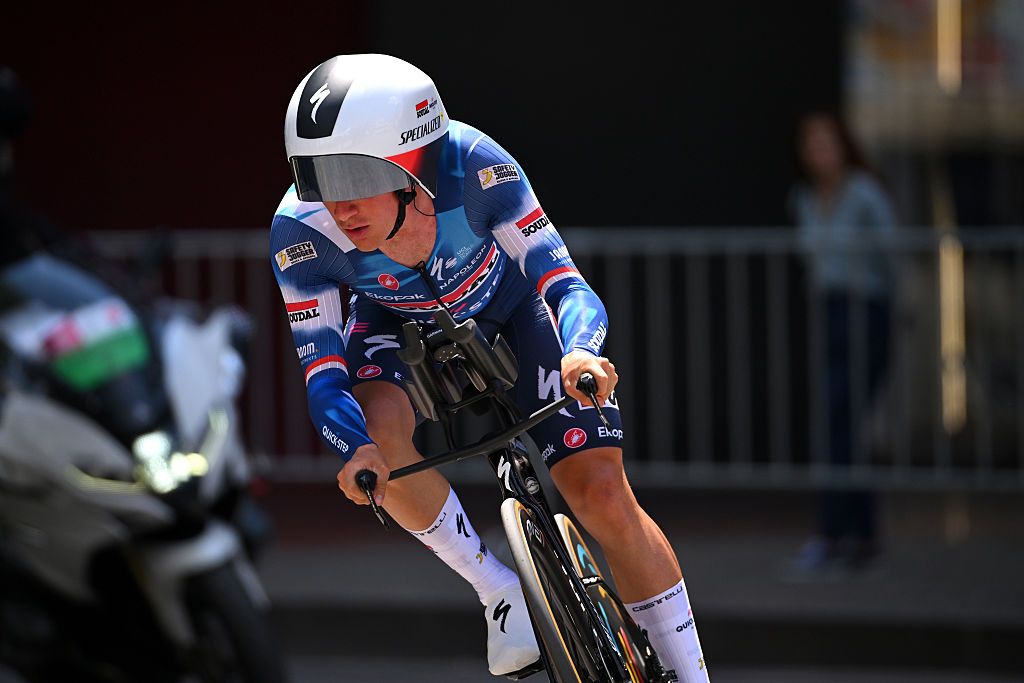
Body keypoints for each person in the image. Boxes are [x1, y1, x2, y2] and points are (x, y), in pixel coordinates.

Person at [269, 54, 709, 681]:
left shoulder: (477, 168)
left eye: (352, 174)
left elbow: (564, 284)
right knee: (377, 436)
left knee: (603, 494)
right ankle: (495, 588)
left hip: (512, 304)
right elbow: (324, 374)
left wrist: (582, 348)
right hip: (395, 319)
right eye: (315, 176)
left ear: (410, 161)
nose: (336, 204)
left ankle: (692, 673)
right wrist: (356, 448)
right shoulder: (300, 234)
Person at [788, 110, 897, 575]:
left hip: (865, 310)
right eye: (810, 144)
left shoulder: (864, 193)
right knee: (838, 424)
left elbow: (894, 252)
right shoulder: (805, 198)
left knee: (843, 420)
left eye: (826, 142)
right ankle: (855, 534)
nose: (819, 152)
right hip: (831, 311)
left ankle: (841, 533)